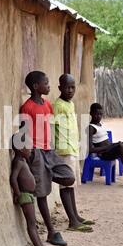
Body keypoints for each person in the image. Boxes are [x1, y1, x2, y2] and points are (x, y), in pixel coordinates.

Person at [19, 71, 93, 246]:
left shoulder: (47, 105)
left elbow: (50, 128)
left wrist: (51, 146)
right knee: (42, 194)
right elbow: (23, 131)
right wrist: (28, 153)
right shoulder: (27, 107)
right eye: (46, 83)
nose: (49, 86)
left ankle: (46, 175)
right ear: (36, 87)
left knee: (69, 177)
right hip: (36, 152)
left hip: (49, 151)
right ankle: (51, 232)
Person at [53, 74, 95, 226]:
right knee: (66, 184)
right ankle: (72, 221)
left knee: (71, 185)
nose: (70, 90)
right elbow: (53, 128)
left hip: (72, 148)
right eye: (66, 87)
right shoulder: (58, 106)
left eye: (72, 87)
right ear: (60, 88)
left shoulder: (70, 104)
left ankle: (75, 216)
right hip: (63, 150)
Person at [10, 134, 54, 246]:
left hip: (28, 195)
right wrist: (18, 195)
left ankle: (40, 245)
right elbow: (13, 179)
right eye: (28, 147)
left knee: (33, 223)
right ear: (20, 149)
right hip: (24, 195)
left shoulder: (23, 160)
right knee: (31, 224)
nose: (31, 149)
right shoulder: (18, 162)